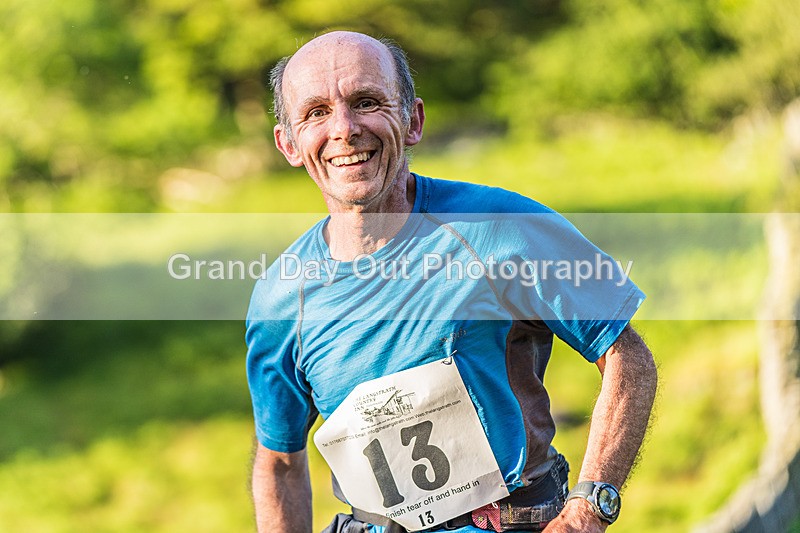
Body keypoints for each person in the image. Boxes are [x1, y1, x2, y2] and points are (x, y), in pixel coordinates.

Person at [246, 31, 658, 533]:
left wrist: (588, 511)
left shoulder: (500, 226)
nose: (345, 129)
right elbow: (279, 462)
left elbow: (626, 357)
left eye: (367, 102)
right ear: (288, 144)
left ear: (413, 121)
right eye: (316, 112)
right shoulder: (281, 298)